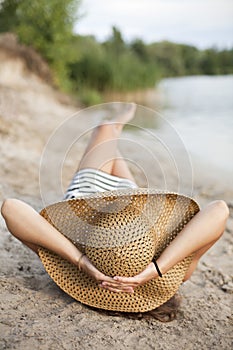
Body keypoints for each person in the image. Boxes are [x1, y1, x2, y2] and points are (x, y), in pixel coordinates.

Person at [1, 103, 229, 320]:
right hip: (128, 208)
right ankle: (118, 122)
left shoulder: (69, 267)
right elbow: (219, 211)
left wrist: (82, 263)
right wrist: (155, 270)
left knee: (105, 132)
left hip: (88, 200)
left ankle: (118, 120)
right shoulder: (173, 272)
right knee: (107, 138)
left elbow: (11, 208)